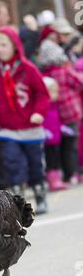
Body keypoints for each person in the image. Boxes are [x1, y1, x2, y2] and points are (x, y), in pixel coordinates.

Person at [0, 26, 50, 215]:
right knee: (12, 163)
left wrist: (39, 112)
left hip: (31, 127)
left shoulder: (28, 69)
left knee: (35, 164)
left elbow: (42, 94)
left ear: (15, 46)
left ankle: (40, 194)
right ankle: (19, 202)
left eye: (4, 45)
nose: (0, 49)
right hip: (8, 129)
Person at [38, 39, 83, 184]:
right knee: (71, 146)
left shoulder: (43, 74)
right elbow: (78, 83)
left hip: (54, 116)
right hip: (70, 113)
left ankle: (63, 174)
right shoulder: (64, 71)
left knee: (60, 146)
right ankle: (74, 173)